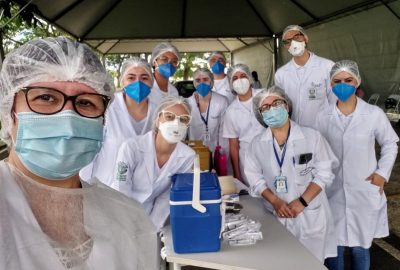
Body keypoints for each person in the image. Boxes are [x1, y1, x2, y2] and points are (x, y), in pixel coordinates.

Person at [0, 37, 157, 269]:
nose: (69, 118)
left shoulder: (130, 219)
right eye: (45, 97)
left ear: (103, 120)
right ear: (9, 112)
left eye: (85, 103)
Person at [316, 60, 399, 270]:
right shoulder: (321, 116)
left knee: (360, 248)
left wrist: (382, 174)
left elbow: (390, 143)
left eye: (348, 80)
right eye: (337, 81)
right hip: (332, 189)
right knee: (334, 247)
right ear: (330, 84)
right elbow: (315, 149)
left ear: (357, 82)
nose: (342, 84)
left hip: (364, 188)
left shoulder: (373, 114)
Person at [245, 86, 338, 262]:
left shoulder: (312, 137)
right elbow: (254, 178)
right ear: (260, 115)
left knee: (312, 263)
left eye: (276, 103)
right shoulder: (257, 144)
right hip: (276, 212)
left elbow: (324, 173)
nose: (271, 109)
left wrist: (302, 202)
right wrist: (275, 201)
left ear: (286, 106)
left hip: (310, 212)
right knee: (282, 262)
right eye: (265, 107)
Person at [113, 96, 196, 230]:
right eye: (169, 117)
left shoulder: (187, 156)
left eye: (183, 119)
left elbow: (168, 195)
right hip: (119, 213)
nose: (176, 123)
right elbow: (121, 187)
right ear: (157, 120)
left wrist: (152, 227)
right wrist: (126, 223)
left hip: (150, 214)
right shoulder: (131, 147)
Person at [80, 57, 156, 186]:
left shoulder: (159, 112)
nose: (138, 83)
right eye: (131, 78)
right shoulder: (107, 108)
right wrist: (84, 186)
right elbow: (88, 151)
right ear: (122, 82)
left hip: (143, 189)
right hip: (106, 187)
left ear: (152, 82)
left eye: (144, 78)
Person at [275, 25, 336, 129]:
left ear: (306, 38)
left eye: (297, 37)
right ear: (285, 46)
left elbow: (334, 101)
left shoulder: (327, 66)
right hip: (294, 130)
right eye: (287, 41)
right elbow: (282, 106)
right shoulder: (281, 74)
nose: (293, 43)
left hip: (322, 129)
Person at [222, 64, 264, 185]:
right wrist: (237, 174)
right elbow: (233, 145)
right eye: (235, 78)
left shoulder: (264, 96)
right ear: (231, 85)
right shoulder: (230, 111)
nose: (239, 80)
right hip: (247, 159)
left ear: (250, 79)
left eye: (243, 76)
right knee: (254, 195)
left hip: (271, 151)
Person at [187, 68, 229, 154]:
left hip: (214, 151)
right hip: (192, 152)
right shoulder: (187, 103)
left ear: (211, 82)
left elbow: (223, 133)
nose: (202, 83)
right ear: (194, 83)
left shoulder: (222, 101)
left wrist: (222, 155)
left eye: (205, 79)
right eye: (198, 80)